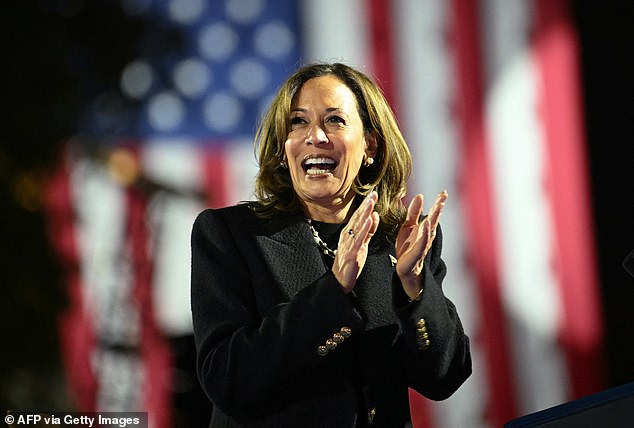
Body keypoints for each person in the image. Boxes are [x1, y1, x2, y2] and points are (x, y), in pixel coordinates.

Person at [190, 62, 471, 427]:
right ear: (283, 148)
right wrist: (333, 293)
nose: (315, 136)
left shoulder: (401, 241)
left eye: (335, 120)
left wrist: (415, 289)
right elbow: (227, 380)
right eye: (298, 122)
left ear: (370, 144)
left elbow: (444, 378)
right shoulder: (232, 235)